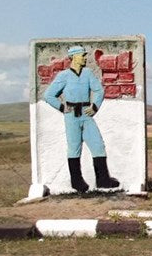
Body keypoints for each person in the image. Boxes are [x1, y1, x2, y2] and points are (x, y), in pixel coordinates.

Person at [43, 45, 119, 192]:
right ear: (74, 57)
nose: (85, 58)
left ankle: (103, 180)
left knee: (97, 145)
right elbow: (49, 95)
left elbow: (99, 90)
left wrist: (94, 106)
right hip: (71, 115)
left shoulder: (88, 73)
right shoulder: (64, 76)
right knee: (74, 147)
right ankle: (76, 182)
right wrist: (62, 108)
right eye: (83, 55)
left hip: (86, 113)